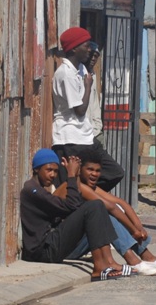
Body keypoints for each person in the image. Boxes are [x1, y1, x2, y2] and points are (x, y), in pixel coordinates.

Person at [19, 148, 130, 280]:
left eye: (56, 171)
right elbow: (72, 205)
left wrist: (75, 176)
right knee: (93, 206)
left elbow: (69, 208)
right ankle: (100, 267)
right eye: (49, 170)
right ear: (37, 169)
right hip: (42, 252)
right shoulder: (33, 190)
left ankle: (108, 261)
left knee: (97, 206)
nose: (53, 175)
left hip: (50, 245)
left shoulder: (38, 189)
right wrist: (71, 175)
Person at [75, 155, 156, 275]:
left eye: (97, 171)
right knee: (108, 216)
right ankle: (132, 261)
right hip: (71, 248)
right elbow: (112, 207)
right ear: (79, 170)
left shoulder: (92, 188)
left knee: (115, 215)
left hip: (86, 241)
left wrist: (139, 227)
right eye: (90, 169)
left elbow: (121, 203)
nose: (94, 174)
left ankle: (148, 257)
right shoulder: (78, 187)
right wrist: (133, 230)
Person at [51, 27, 124, 192]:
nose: (89, 49)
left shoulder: (81, 70)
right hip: (70, 139)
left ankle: (85, 195)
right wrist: (88, 86)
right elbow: (80, 111)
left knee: (115, 172)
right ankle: (81, 199)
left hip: (85, 137)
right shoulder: (65, 74)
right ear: (74, 48)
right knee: (68, 186)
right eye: (86, 45)